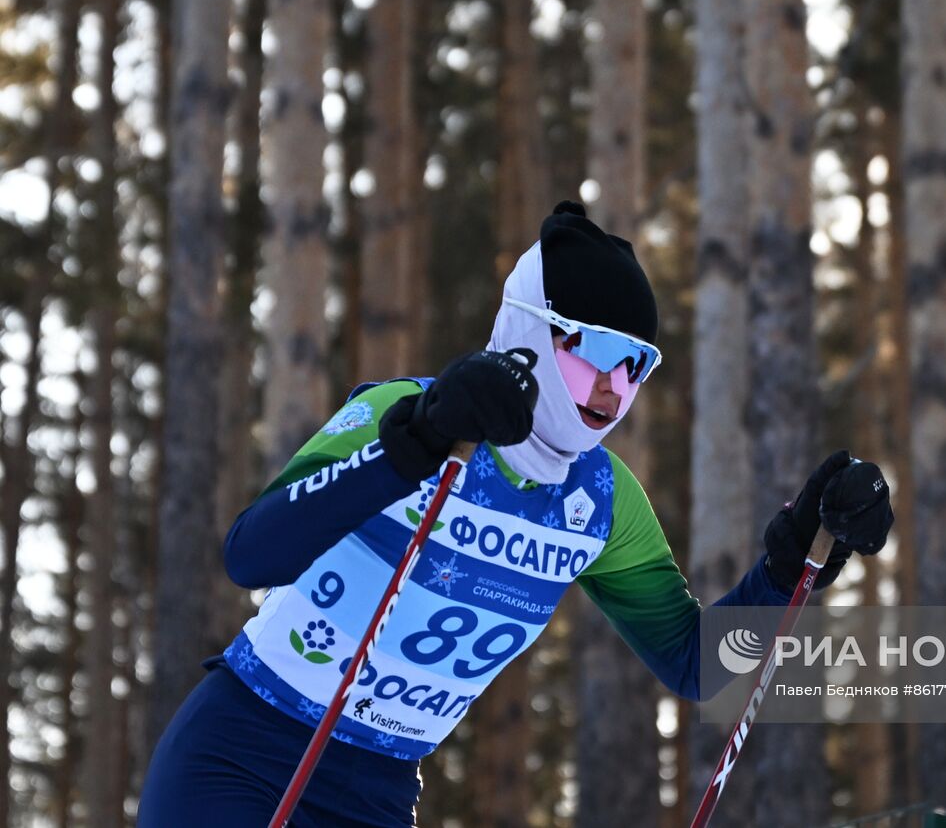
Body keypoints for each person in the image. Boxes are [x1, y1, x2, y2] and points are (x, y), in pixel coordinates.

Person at [137, 202, 894, 826]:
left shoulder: (600, 500)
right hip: (242, 753)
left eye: (637, 362)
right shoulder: (403, 414)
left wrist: (791, 562)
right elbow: (250, 555)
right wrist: (416, 443)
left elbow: (700, 664)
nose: (613, 385)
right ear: (531, 328)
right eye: (595, 348)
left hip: (376, 788)